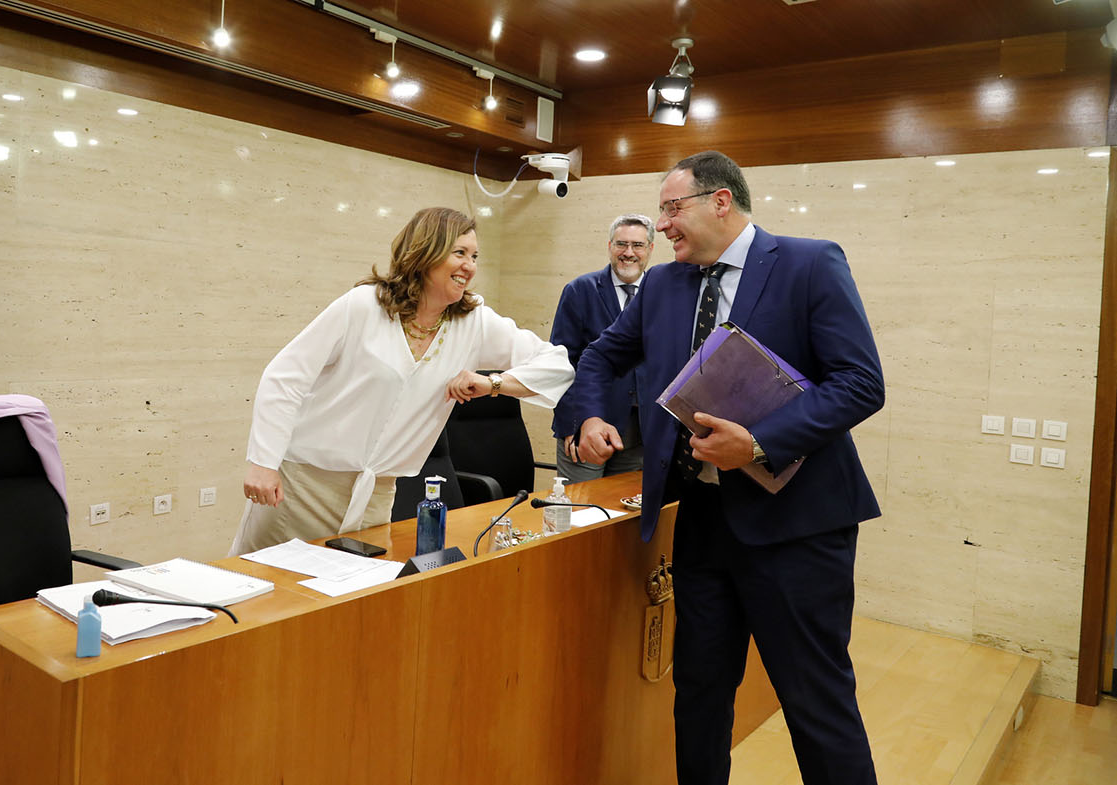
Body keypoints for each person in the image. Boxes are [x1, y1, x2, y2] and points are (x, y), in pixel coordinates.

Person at [572, 151, 884, 785]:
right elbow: (599, 359)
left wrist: (761, 442)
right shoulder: (662, 285)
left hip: (798, 526)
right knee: (699, 693)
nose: (662, 227)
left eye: (671, 208)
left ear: (720, 201)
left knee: (816, 702)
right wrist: (587, 417)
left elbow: (860, 384)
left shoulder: (808, 263)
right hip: (704, 525)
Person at [230, 207, 574, 556]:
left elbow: (557, 365)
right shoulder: (364, 306)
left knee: (355, 601)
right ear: (426, 252)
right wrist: (264, 462)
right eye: (459, 253)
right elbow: (285, 377)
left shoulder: (474, 323)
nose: (469, 266)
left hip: (377, 495)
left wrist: (494, 384)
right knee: (265, 596)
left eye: (474, 256)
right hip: (303, 486)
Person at [549, 214, 654, 483]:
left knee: (622, 513)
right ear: (609, 246)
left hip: (640, 433)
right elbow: (561, 364)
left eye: (638, 245)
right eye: (621, 244)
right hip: (589, 426)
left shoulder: (660, 294)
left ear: (650, 249)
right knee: (582, 512)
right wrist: (576, 423)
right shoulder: (580, 290)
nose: (628, 253)